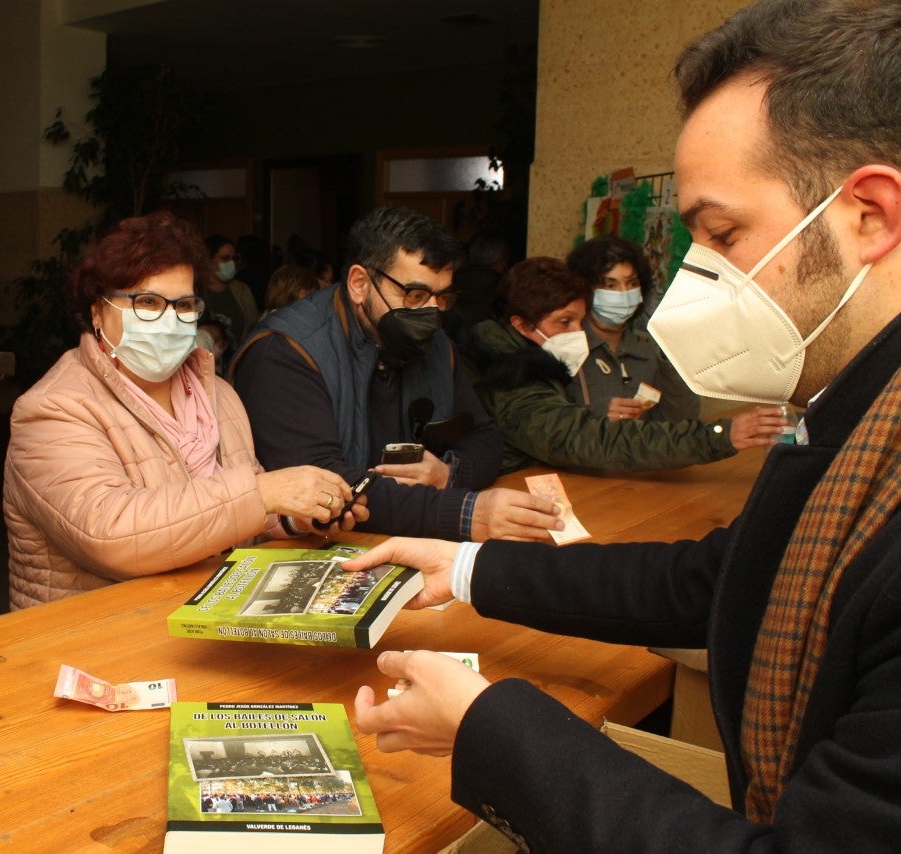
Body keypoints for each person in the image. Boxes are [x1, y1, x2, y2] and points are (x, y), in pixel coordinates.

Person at [351, 1, 901, 849]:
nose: (698, 283)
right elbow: (716, 583)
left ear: (870, 216)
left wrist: (491, 729)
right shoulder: (852, 416)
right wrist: (465, 567)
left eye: (725, 234)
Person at [3, 211, 365, 606]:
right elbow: (111, 533)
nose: (169, 319)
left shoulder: (218, 395)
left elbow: (244, 519)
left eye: (184, 305)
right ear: (97, 310)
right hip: (101, 642)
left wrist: (297, 515)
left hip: (211, 623)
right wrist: (263, 493)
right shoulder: (52, 408)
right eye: (147, 302)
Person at [233, 205, 561, 542]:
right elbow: (328, 485)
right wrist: (466, 513)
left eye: (442, 297)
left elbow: (487, 438)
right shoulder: (284, 351)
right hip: (316, 549)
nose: (431, 313)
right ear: (359, 284)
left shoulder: (434, 343)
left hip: (409, 541)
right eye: (415, 295)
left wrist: (449, 474)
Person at [465, 256, 786, 472]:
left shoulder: (518, 353)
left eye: (580, 321)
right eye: (564, 322)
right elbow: (590, 440)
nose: (578, 334)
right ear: (521, 325)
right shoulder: (506, 375)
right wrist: (720, 435)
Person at [566, 235, 700, 422]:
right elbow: (543, 424)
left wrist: (671, 357)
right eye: (609, 285)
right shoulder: (563, 347)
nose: (623, 294)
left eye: (632, 283)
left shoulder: (650, 349)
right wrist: (595, 415)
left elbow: (680, 421)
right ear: (584, 290)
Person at [204, 233, 260, 344]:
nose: (231, 263)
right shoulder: (194, 290)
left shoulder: (242, 290)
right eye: (225, 258)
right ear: (208, 260)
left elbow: (255, 326)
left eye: (233, 258)